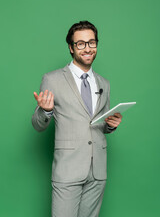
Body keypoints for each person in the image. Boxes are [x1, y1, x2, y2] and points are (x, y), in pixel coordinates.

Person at [32, 20, 122, 217]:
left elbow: (99, 122)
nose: (87, 48)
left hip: (97, 170)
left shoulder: (104, 83)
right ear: (71, 48)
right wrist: (45, 111)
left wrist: (110, 126)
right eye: (80, 44)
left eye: (91, 42)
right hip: (68, 168)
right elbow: (37, 125)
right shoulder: (52, 79)